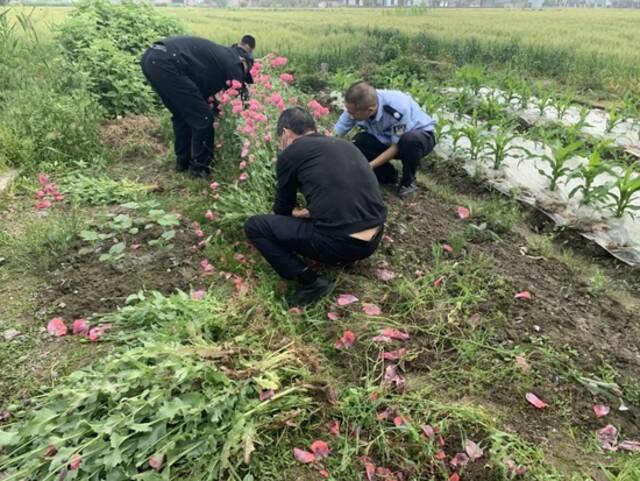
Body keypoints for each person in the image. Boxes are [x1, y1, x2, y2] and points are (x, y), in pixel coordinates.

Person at [245, 107, 387, 307]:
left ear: (286, 133)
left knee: (255, 226)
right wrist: (308, 212)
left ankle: (311, 281)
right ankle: (339, 255)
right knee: (315, 222)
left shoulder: (291, 152)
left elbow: (282, 210)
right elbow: (342, 190)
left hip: (340, 245)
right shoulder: (346, 146)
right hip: (373, 239)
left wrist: (293, 216)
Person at [140, 36, 254, 178]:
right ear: (244, 62)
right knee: (204, 119)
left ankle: (183, 164)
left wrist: (215, 108)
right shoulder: (236, 62)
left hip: (151, 59)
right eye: (246, 73)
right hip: (168, 62)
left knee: (182, 115)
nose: (243, 76)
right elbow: (237, 93)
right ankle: (199, 171)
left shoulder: (218, 56)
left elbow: (201, 94)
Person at [334, 81, 437, 198]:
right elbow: (338, 131)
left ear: (370, 110)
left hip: (416, 139)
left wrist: (370, 166)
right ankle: (388, 175)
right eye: (348, 111)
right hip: (384, 138)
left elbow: (397, 146)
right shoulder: (358, 105)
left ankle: (408, 182)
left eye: (353, 114)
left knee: (410, 141)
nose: (350, 116)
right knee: (359, 142)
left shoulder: (397, 108)